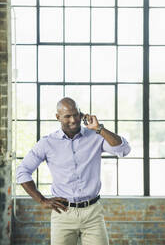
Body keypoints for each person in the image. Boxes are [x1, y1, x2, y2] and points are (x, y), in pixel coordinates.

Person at [16, 97, 131, 245]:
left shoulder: (96, 137)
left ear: (81, 114)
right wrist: (41, 200)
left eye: (76, 114)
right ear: (58, 117)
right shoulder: (47, 143)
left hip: (93, 213)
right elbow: (22, 171)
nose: (73, 120)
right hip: (63, 214)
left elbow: (124, 150)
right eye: (67, 116)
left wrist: (99, 128)